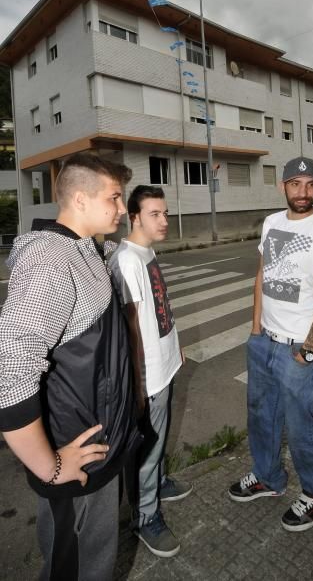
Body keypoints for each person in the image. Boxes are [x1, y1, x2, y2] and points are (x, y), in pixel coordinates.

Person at [0, 153, 139, 581]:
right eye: (114, 198)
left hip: (99, 444)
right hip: (75, 459)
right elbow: (9, 370)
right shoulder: (51, 260)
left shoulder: (84, 249)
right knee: (74, 567)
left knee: (93, 559)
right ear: (80, 200)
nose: (121, 208)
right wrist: (51, 466)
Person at [229, 156, 313, 531]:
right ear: (283, 187)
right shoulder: (272, 223)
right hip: (265, 342)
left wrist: (309, 350)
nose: (303, 192)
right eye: (296, 184)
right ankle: (268, 477)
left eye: (310, 185)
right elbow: (262, 276)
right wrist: (255, 329)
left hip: (299, 348)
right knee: (261, 418)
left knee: (302, 426)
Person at [109, 185, 192, 558]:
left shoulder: (146, 252)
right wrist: (139, 386)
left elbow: (157, 308)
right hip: (149, 376)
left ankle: (157, 482)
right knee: (146, 449)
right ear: (135, 217)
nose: (164, 220)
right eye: (155, 214)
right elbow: (130, 329)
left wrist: (175, 345)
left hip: (165, 363)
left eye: (165, 213)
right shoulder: (127, 260)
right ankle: (145, 517)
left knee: (156, 446)